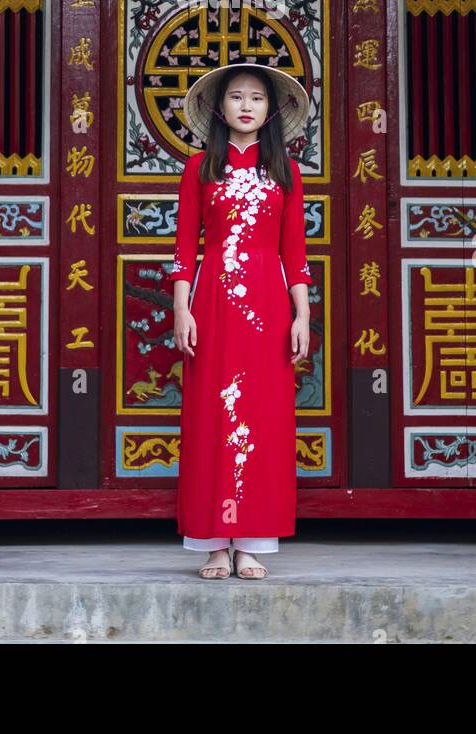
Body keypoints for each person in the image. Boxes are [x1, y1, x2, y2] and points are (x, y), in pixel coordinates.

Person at [169, 59, 312, 580]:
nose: (246, 105)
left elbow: (294, 253)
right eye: (236, 97)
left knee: (264, 418)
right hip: (212, 302)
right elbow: (186, 248)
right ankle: (212, 544)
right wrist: (182, 307)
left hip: (268, 305)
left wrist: (302, 315)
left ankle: (251, 542)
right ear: (219, 108)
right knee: (210, 416)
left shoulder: (286, 172)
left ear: (271, 110)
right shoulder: (199, 168)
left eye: (256, 97)